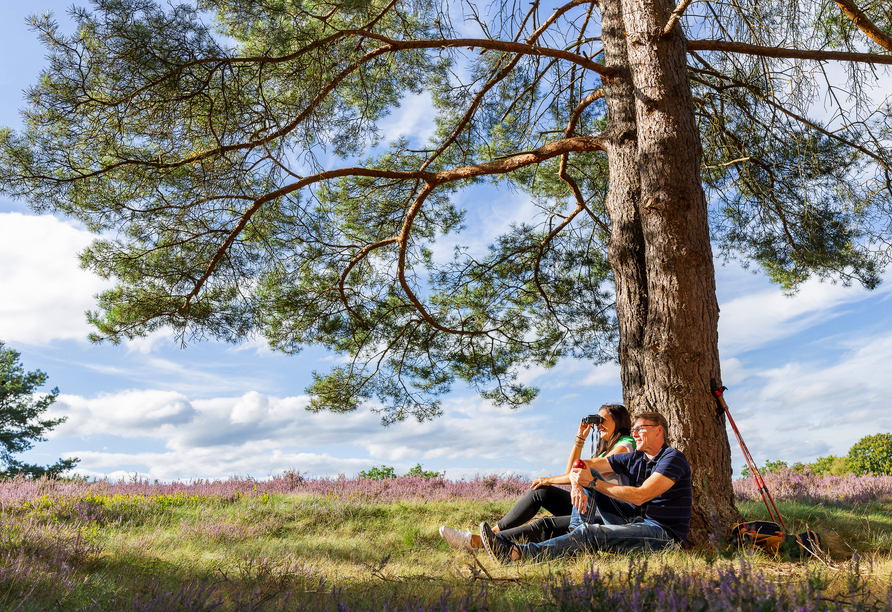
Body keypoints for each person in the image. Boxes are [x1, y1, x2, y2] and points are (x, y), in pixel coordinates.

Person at [479, 411, 692, 564]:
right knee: (591, 476)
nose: (635, 433)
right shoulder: (635, 458)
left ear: (659, 431)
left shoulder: (672, 458)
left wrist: (590, 483)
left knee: (591, 529)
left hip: (662, 534)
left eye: (640, 429)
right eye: (633, 429)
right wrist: (578, 484)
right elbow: (584, 465)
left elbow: (640, 496)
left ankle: (516, 553)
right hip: (632, 520)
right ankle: (574, 535)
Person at [439, 404, 635, 551]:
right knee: (541, 492)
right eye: (597, 420)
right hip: (588, 505)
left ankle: (477, 542)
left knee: (544, 524)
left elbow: (587, 471)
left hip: (609, 512)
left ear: (618, 421)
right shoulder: (603, 450)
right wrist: (580, 439)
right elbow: (571, 474)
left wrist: (550, 478)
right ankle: (494, 533)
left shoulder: (626, 444)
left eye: (603, 420)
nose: (598, 425)